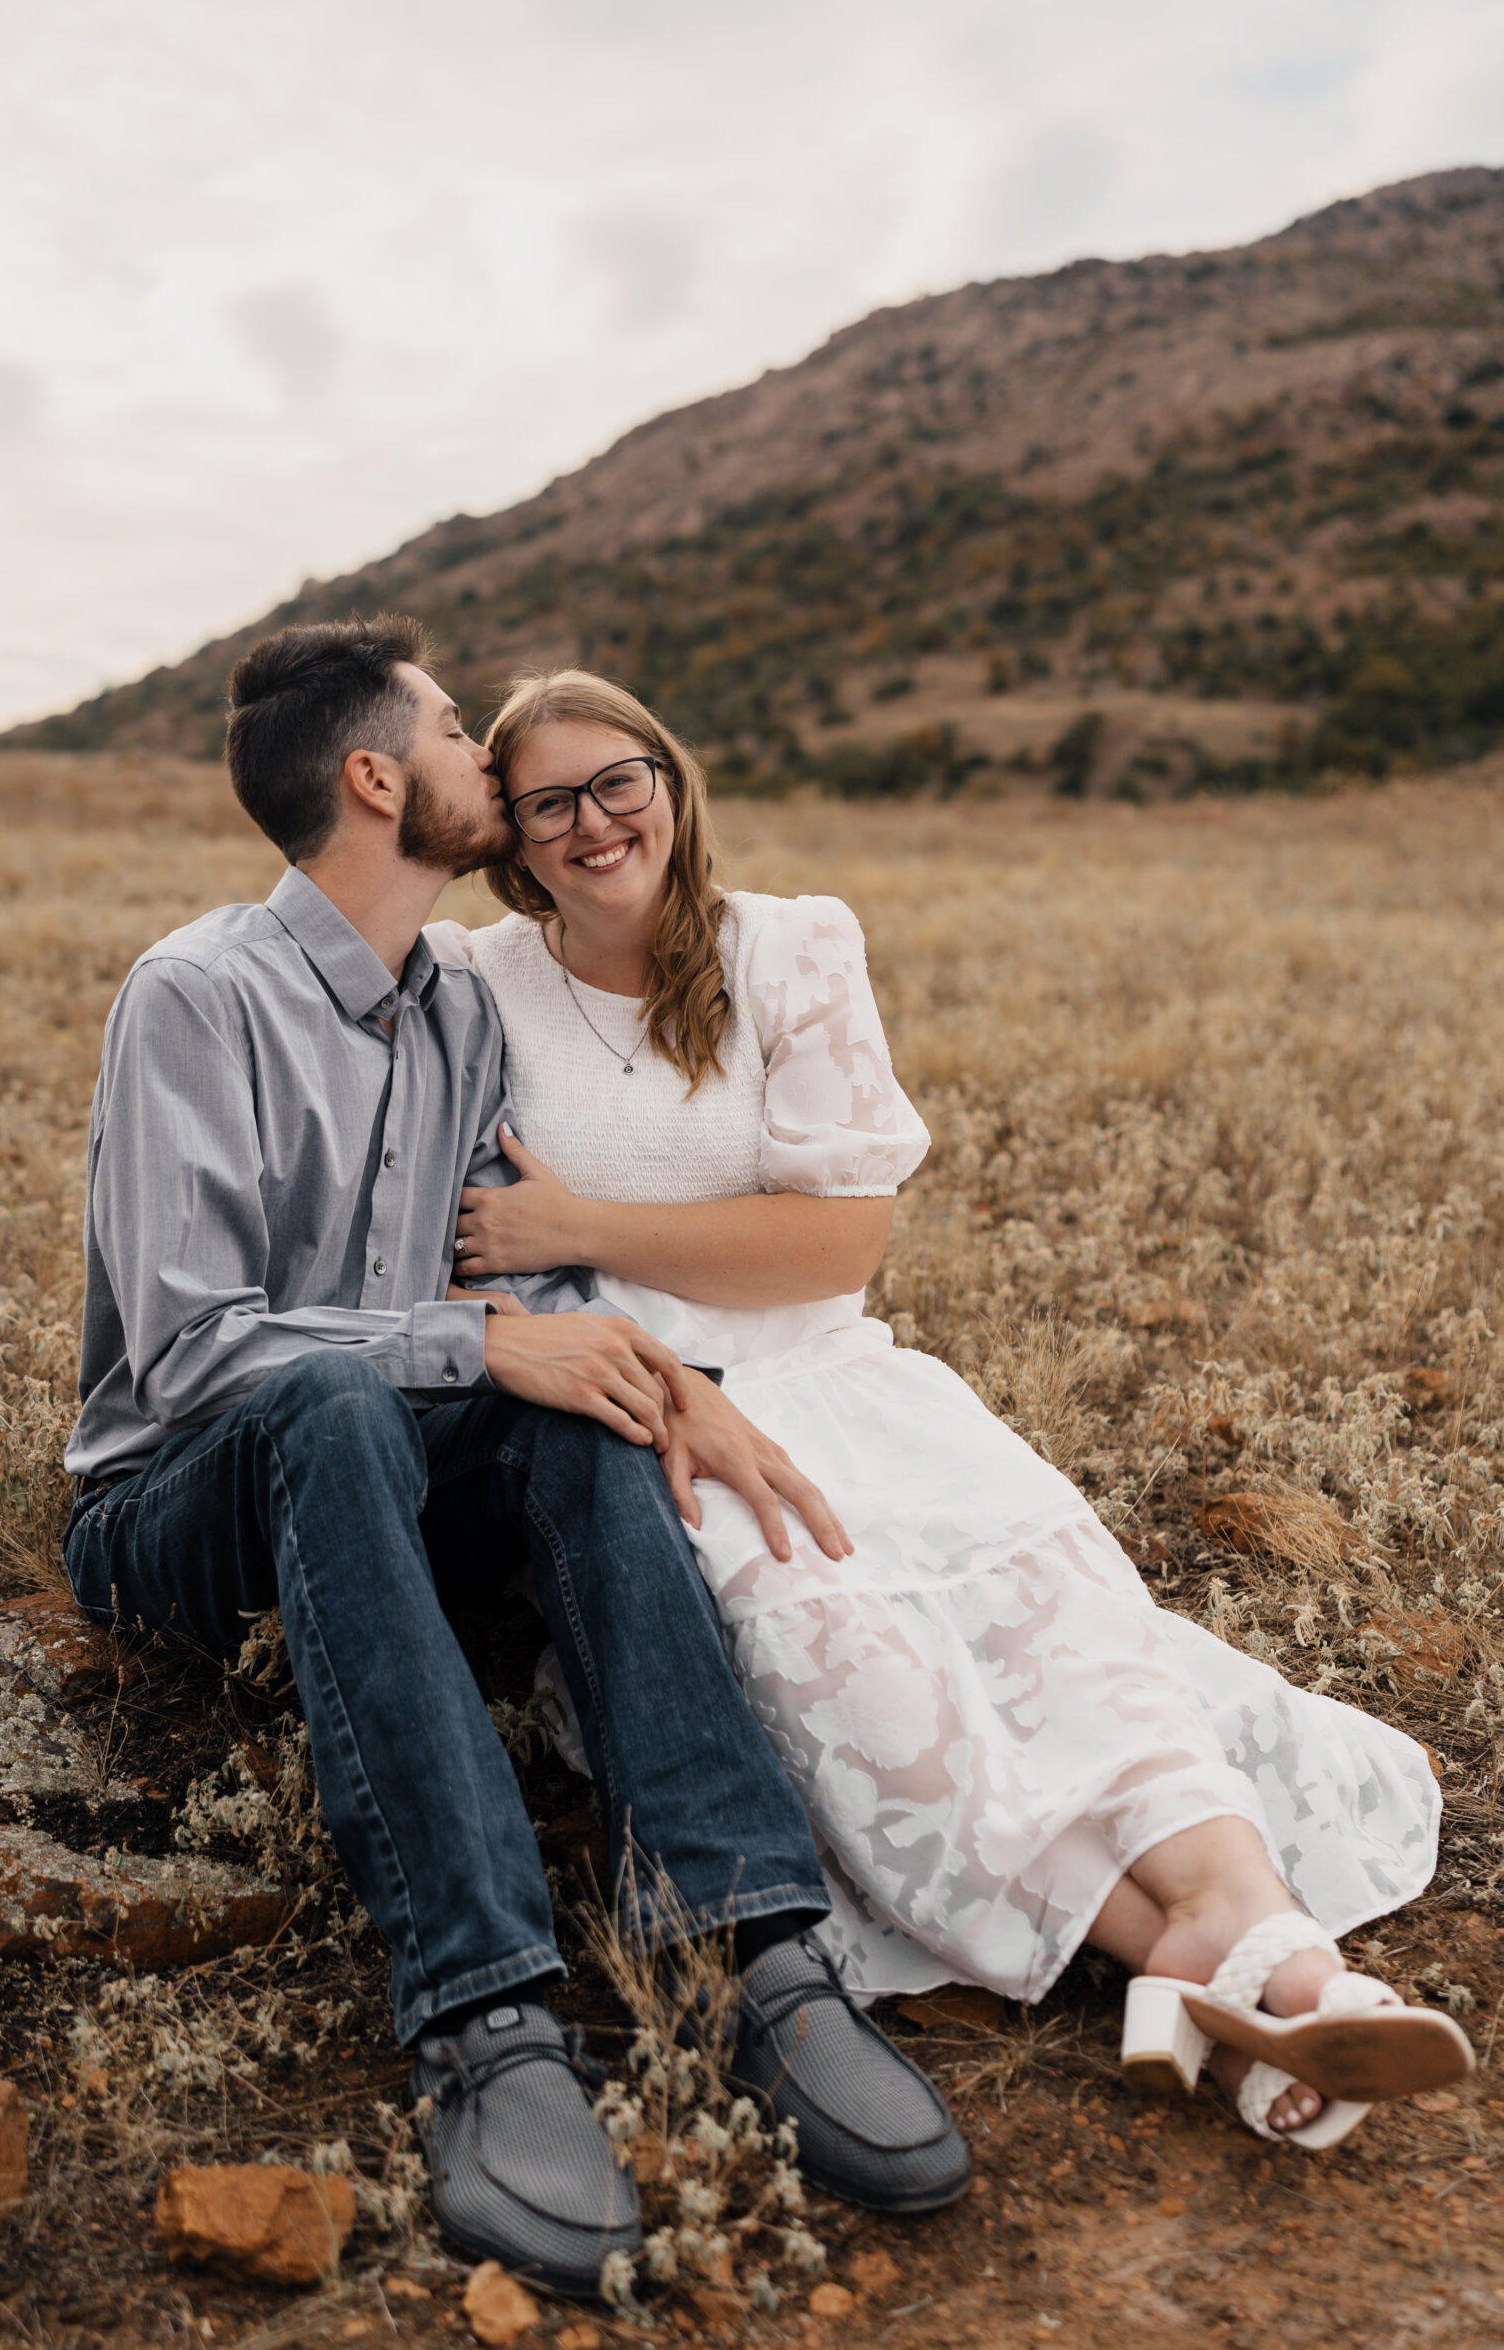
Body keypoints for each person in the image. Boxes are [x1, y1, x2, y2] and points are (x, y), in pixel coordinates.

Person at [439, 667, 1472, 2154]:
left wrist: (572, 1223)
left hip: (850, 1383)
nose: (597, 821)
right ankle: (1208, 1965)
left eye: (622, 780)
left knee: (1060, 1621)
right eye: (551, 802)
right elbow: (460, 1248)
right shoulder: (480, 988)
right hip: (655, 1410)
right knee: (852, 1664)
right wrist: (557, 1280)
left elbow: (836, 1244)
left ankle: (1251, 1930)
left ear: (671, 781)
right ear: (518, 843)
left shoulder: (787, 949)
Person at [60, 618, 972, 2298]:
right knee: (338, 1399)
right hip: (171, 1503)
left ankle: (756, 1948)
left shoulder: (459, 1013)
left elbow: (520, 1284)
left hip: (393, 1471)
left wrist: (652, 1375)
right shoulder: (198, 997)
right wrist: (478, 1347)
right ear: (378, 779)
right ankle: (485, 2014)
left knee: (570, 1405)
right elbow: (191, 1356)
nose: (497, 764)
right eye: (464, 736)